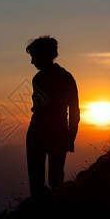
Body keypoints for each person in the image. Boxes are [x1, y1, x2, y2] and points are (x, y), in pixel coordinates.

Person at [25, 36, 80, 199]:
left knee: (38, 183)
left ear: (44, 55)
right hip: (56, 133)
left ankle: (41, 216)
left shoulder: (41, 78)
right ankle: (51, 214)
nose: (32, 62)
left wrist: (70, 136)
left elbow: (41, 107)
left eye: (34, 57)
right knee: (55, 181)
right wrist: (70, 136)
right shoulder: (65, 77)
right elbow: (74, 111)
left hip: (42, 133)